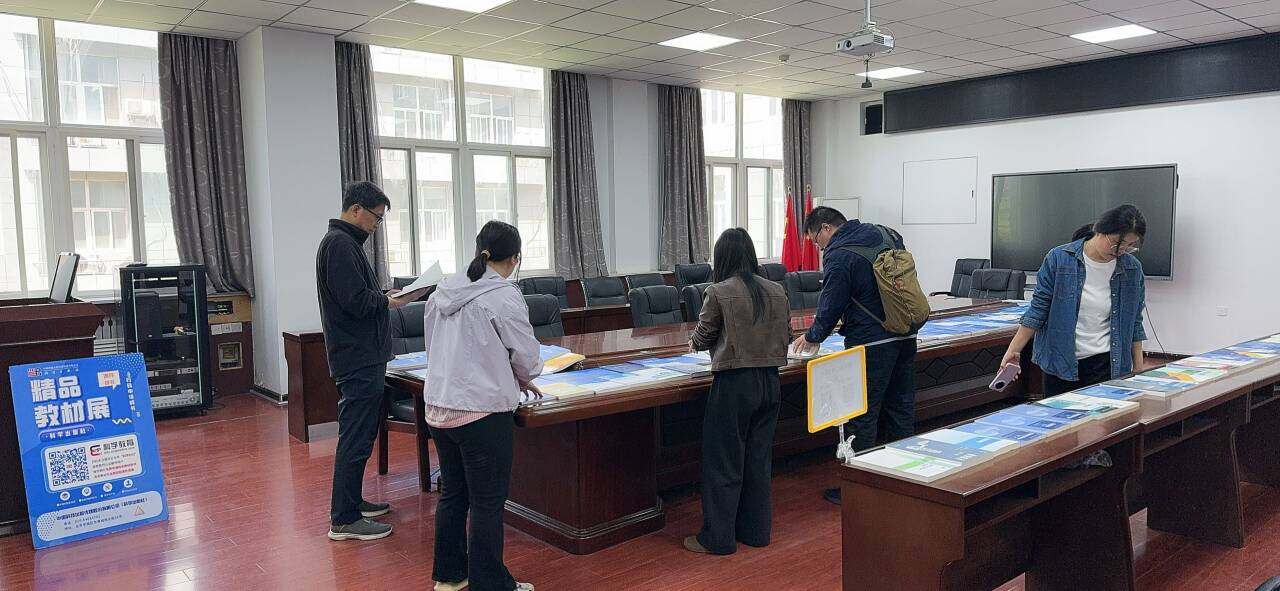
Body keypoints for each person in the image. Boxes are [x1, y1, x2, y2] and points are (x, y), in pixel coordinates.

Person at [424, 220, 541, 591]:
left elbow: (436, 348)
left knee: (453, 494)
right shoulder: (504, 295)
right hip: (482, 414)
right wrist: (521, 377)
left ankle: (449, 576)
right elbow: (526, 356)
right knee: (487, 503)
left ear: (478, 251)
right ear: (515, 258)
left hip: (439, 408)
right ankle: (490, 584)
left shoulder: (443, 290)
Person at [318, 181, 426, 541]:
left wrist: (383, 294)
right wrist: (392, 301)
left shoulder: (345, 243)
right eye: (376, 218)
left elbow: (359, 294)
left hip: (363, 355)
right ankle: (344, 519)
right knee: (355, 437)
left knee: (362, 436)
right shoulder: (339, 245)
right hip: (357, 357)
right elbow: (355, 303)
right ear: (355, 209)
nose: (377, 226)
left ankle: (353, 502)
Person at [789, 206, 917, 506]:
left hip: (870, 342)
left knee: (863, 414)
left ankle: (862, 490)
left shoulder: (840, 252)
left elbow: (832, 302)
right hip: (906, 333)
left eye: (815, 240)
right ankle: (903, 481)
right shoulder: (887, 234)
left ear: (825, 228)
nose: (819, 247)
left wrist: (812, 337)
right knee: (900, 409)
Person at [684, 228, 792, 556]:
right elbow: (787, 334)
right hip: (770, 382)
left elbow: (703, 337)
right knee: (758, 460)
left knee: (724, 461)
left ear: (722, 258)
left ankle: (718, 538)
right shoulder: (776, 289)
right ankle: (756, 532)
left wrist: (693, 343)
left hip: (734, 384)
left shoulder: (718, 291)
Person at [1000, 204, 1148, 396]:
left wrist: (1138, 371)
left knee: (1102, 415)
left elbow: (1134, 322)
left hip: (1107, 363)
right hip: (1060, 362)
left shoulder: (1132, 269)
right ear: (1100, 230)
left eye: (1130, 245)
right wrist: (1014, 350)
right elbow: (1038, 310)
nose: (1121, 250)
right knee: (1060, 414)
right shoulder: (1059, 259)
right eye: (1116, 243)